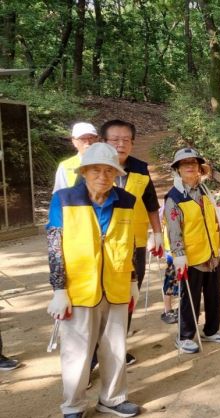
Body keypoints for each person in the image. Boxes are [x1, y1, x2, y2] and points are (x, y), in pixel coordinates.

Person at [46, 143, 140, 418]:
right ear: (84, 171)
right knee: (76, 353)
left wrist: (133, 278)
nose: (103, 175)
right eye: (96, 169)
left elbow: (129, 243)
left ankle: (112, 399)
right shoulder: (64, 198)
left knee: (115, 348)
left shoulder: (126, 200)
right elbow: (54, 245)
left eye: (109, 170)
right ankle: (73, 406)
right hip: (78, 289)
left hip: (117, 285)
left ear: (116, 173)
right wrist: (59, 289)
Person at [102, 119, 164, 364]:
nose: (121, 144)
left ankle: (118, 345)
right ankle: (94, 356)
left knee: (130, 295)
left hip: (134, 242)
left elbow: (151, 202)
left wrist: (157, 233)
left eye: (126, 140)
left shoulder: (139, 167)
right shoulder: (95, 169)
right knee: (101, 297)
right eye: (115, 139)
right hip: (103, 245)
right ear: (104, 141)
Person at [165, 148, 220, 353]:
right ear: (177, 168)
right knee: (190, 298)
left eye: (193, 163)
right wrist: (179, 256)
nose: (190, 166)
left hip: (211, 253)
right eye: (185, 163)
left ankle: (211, 330)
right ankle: (184, 336)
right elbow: (174, 230)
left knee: (214, 295)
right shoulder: (174, 197)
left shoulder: (204, 190)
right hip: (191, 257)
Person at [53, 122, 99, 193]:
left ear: (97, 140)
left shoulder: (109, 163)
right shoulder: (65, 166)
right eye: (82, 138)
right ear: (74, 141)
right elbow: (59, 195)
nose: (88, 142)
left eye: (91, 138)